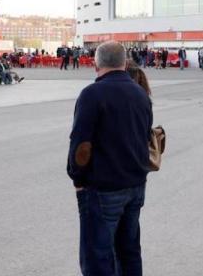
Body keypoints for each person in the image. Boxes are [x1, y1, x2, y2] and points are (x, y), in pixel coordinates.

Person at [68, 41, 153, 275]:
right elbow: (146, 136)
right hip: (135, 185)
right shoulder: (140, 93)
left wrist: (78, 178)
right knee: (129, 252)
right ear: (124, 63)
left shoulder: (92, 94)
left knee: (97, 257)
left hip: (103, 188)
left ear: (96, 63)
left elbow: (82, 145)